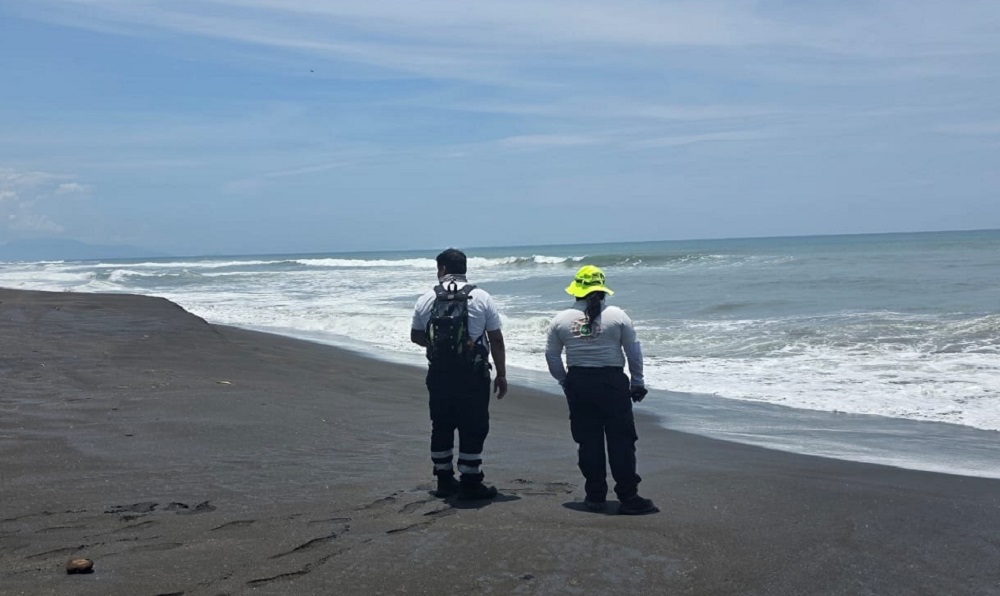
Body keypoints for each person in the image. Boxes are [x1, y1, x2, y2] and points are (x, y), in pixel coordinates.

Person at [545, 265, 657, 515]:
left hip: (579, 382)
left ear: (576, 290)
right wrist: (637, 382)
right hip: (612, 382)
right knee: (622, 441)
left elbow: (552, 356)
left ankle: (594, 496)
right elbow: (633, 352)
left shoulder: (560, 320)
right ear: (602, 289)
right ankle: (628, 496)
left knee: (588, 441)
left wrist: (565, 382)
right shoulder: (618, 316)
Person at [411, 248, 508, 500]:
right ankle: (470, 480)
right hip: (472, 374)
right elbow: (496, 339)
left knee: (441, 424)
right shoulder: (481, 296)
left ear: (442, 269)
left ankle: (444, 479)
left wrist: (438, 345)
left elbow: (416, 335)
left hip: (439, 373)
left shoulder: (426, 298)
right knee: (473, 425)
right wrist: (501, 374)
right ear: (465, 268)